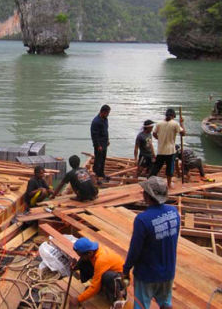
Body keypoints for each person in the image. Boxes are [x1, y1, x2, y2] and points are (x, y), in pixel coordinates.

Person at [123, 176, 180, 309]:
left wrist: (126, 269)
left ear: (147, 195)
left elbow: (134, 250)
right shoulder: (173, 212)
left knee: (142, 305)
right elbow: (173, 240)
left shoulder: (142, 219)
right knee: (166, 302)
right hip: (168, 270)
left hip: (147, 273)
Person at [69, 237, 126, 308]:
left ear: (89, 253)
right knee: (85, 262)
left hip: (122, 280)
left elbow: (95, 287)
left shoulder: (101, 260)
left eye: (81, 255)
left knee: (108, 276)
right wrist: (75, 267)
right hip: (111, 272)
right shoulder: (93, 252)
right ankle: (103, 288)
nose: (80, 257)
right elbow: (83, 259)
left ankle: (118, 300)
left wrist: (78, 299)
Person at [149, 108, 185, 188]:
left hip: (161, 150)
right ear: (173, 116)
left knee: (156, 167)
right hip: (170, 151)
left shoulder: (159, 123)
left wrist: (160, 139)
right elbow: (183, 133)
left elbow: (154, 134)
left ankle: (149, 182)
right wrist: (181, 123)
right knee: (170, 168)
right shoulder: (175, 124)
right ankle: (169, 184)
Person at [91, 104, 111, 180]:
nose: (108, 115)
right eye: (107, 113)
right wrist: (98, 145)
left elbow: (106, 131)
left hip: (104, 143)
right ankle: (95, 175)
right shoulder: (96, 121)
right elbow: (94, 135)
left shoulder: (105, 119)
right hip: (99, 144)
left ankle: (101, 174)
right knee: (98, 160)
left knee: (103, 159)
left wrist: (108, 140)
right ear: (102, 112)